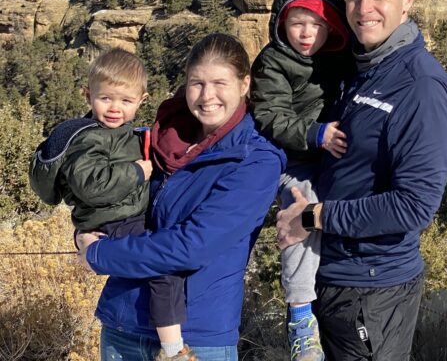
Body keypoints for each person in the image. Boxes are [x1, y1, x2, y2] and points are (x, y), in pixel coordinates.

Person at [277, 0, 447, 361]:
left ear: (406, 0)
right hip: (339, 279)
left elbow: (414, 206)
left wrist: (313, 217)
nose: (364, 9)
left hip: (374, 290)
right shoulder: (361, 69)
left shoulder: (420, 87)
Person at [78, 33, 286, 361]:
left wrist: (99, 254)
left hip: (198, 339)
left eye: (220, 83)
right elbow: (108, 197)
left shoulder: (255, 161)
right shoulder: (154, 140)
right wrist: (84, 227)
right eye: (196, 83)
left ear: (244, 84)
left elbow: (190, 247)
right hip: (124, 324)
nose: (207, 96)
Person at [30, 49, 192, 361]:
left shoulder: (119, 133)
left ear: (141, 101)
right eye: (106, 98)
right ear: (88, 95)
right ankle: (173, 350)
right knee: (164, 266)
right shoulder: (89, 137)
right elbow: (90, 185)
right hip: (112, 219)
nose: (115, 108)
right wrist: (136, 172)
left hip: (119, 215)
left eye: (125, 101)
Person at [250, 0, 352, 361]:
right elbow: (270, 115)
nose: (307, 33)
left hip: (329, 156)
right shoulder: (273, 61)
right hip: (294, 161)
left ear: (332, 26)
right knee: (303, 212)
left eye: (318, 23)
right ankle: (299, 314)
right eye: (298, 22)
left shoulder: (338, 57)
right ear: (282, 20)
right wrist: (315, 133)